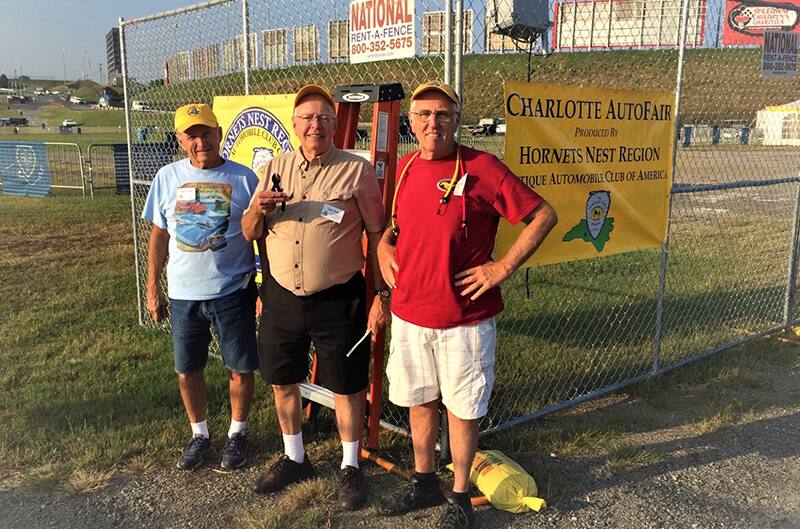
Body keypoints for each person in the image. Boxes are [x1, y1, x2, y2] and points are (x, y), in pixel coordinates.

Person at [376, 82, 558, 529]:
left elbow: (543, 215)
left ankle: (458, 495)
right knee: (419, 402)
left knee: (463, 406)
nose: (431, 123)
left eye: (442, 114)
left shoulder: (482, 167)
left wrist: (503, 268)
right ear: (411, 120)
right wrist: (382, 247)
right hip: (410, 314)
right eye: (422, 114)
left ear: (457, 120)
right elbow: (396, 229)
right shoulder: (405, 167)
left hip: (465, 318)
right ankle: (422, 481)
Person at [242, 84, 389, 510]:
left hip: (337, 297)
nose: (315, 125)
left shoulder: (355, 171)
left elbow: (377, 233)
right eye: (307, 118)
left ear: (334, 124)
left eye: (324, 118)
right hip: (282, 296)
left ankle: (350, 465)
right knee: (283, 379)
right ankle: (295, 457)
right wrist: (258, 211)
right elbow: (250, 231)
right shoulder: (273, 167)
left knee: (347, 385)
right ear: (294, 124)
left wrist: (380, 292)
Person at [142, 103, 263, 471]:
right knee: (187, 369)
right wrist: (153, 288)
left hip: (233, 289)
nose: (200, 141)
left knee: (240, 367)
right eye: (191, 135)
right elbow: (159, 236)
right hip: (183, 294)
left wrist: (266, 287)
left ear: (219, 132)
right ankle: (200, 434)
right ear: (180, 139)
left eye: (206, 132)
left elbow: (261, 236)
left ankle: (237, 434)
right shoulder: (166, 177)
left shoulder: (244, 179)